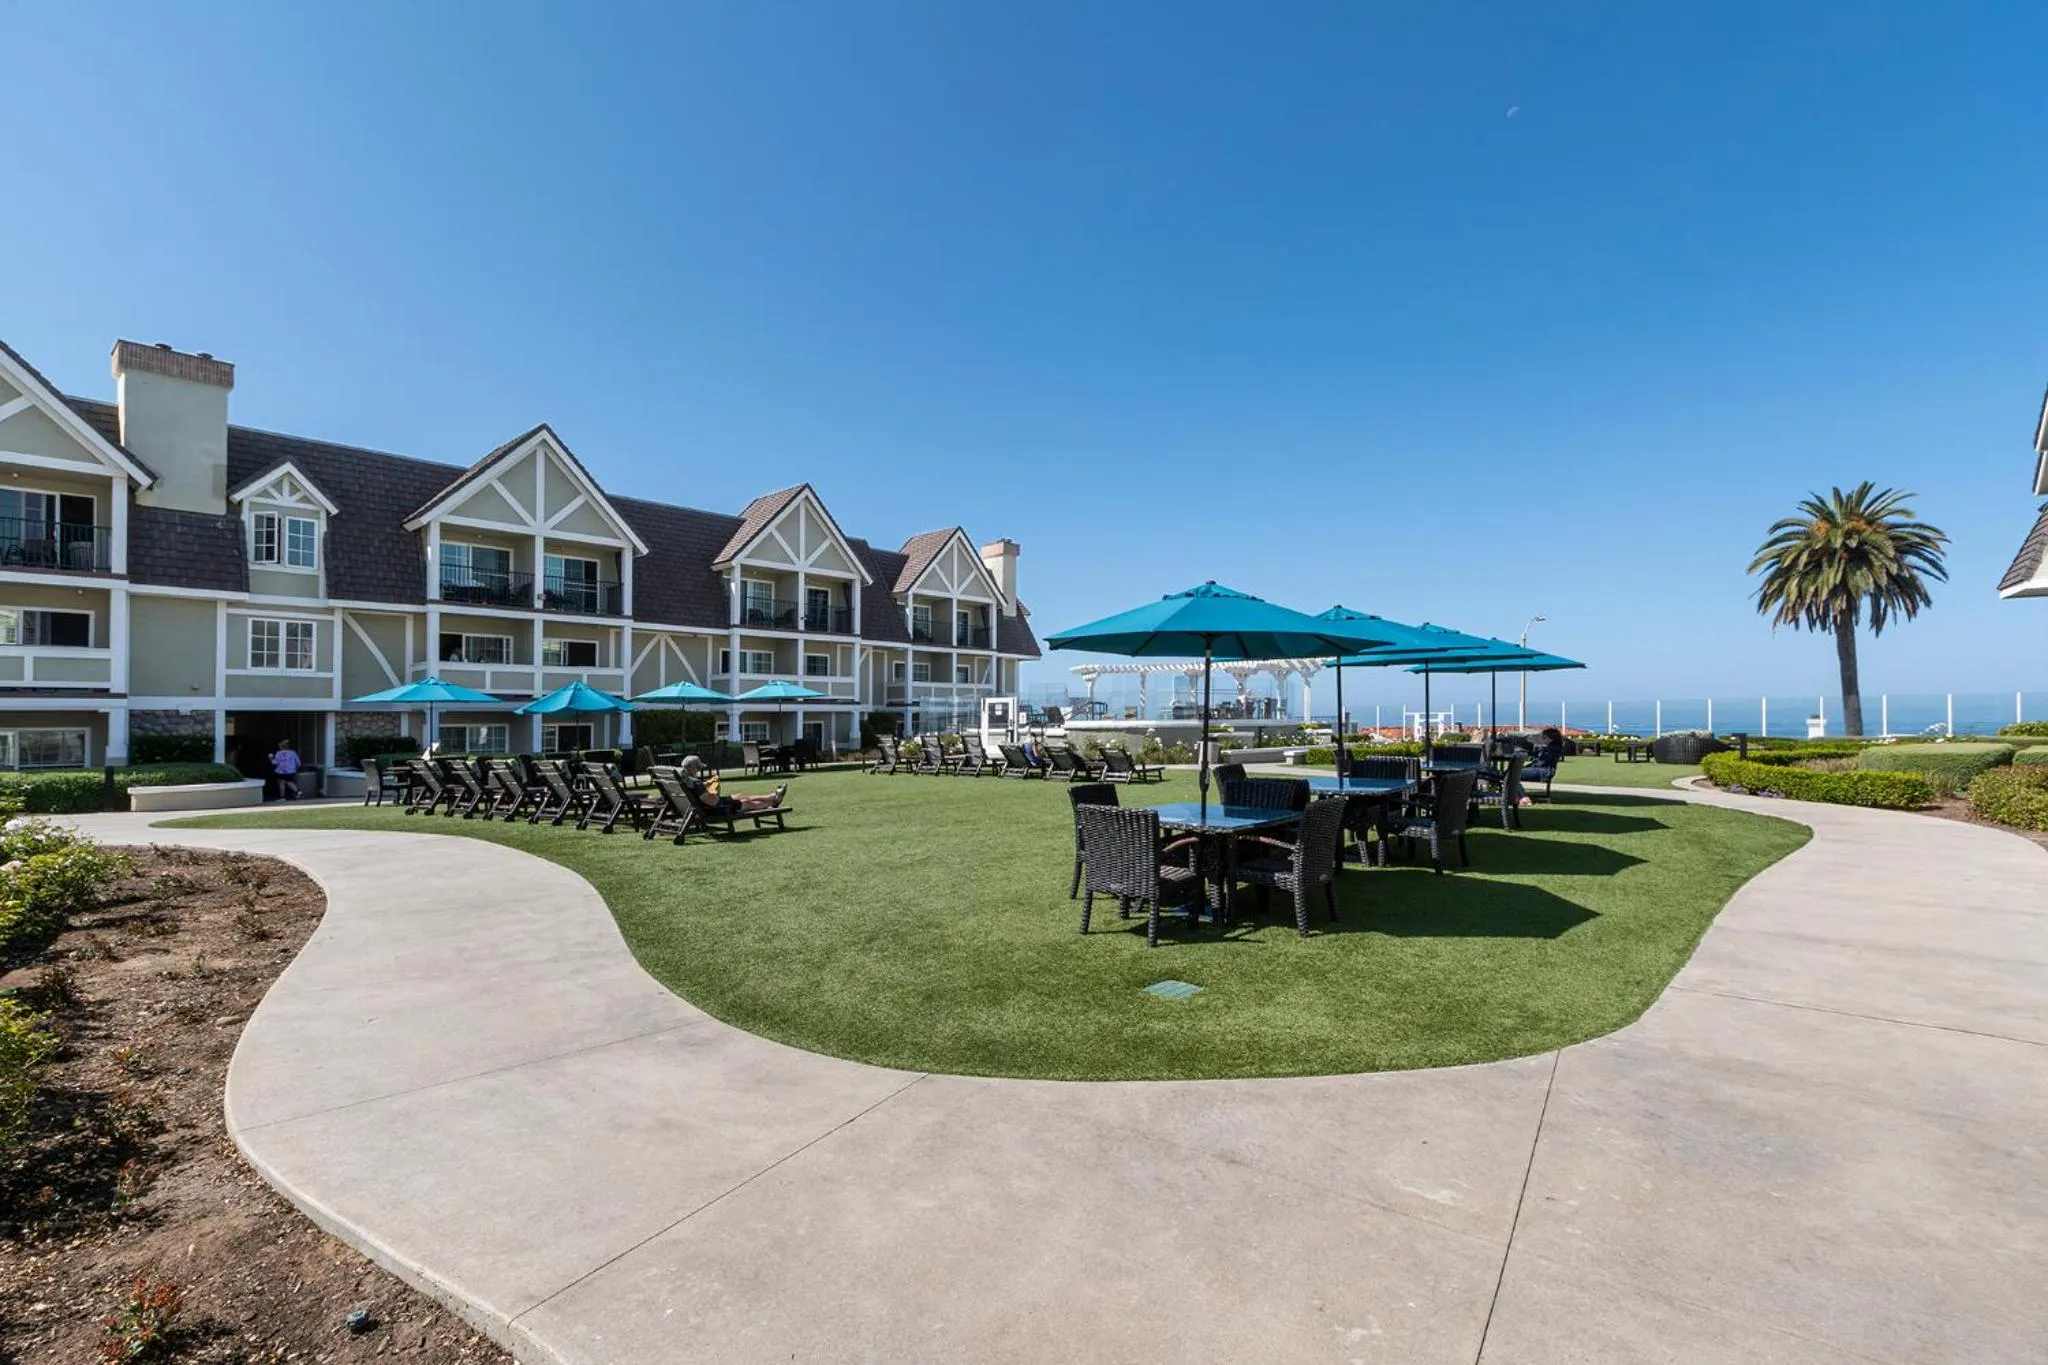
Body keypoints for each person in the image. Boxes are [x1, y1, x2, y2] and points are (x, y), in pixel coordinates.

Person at [678, 755, 785, 813]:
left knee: (740, 796)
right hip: (714, 809)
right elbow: (713, 802)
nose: (699, 771)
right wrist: (716, 788)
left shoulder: (685, 779)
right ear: (693, 768)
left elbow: (698, 791)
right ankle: (771, 802)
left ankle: (771, 797)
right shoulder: (696, 783)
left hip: (700, 806)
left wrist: (707, 783)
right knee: (745, 802)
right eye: (698, 768)